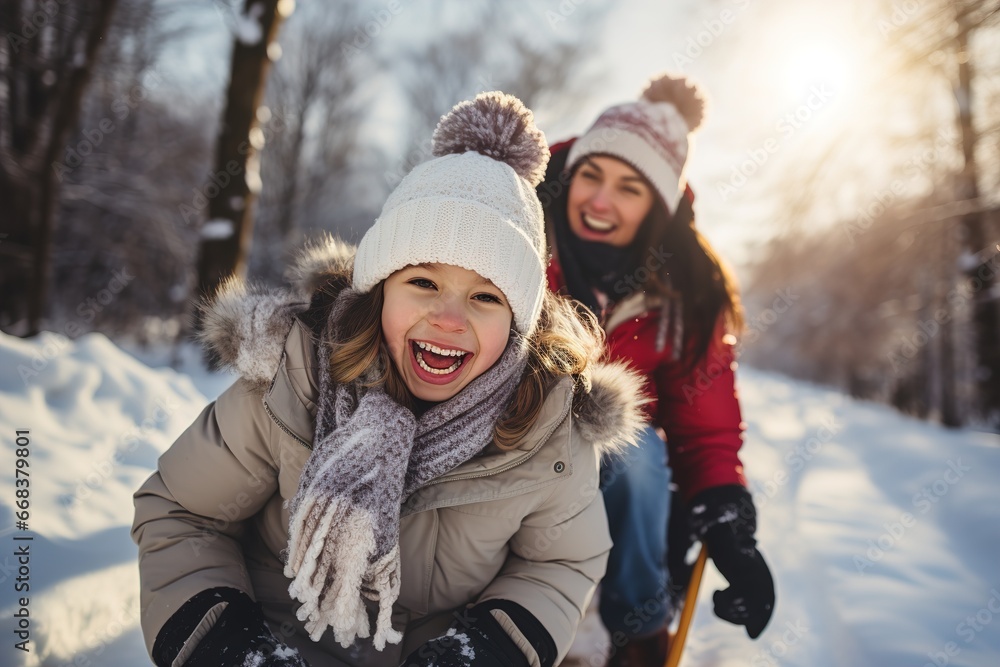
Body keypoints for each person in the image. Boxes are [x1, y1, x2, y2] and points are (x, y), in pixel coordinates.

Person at [131, 92, 650, 667]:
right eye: (423, 284)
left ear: (520, 326)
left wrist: (493, 648)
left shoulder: (548, 429)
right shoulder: (295, 378)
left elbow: (558, 562)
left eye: (484, 297)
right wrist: (223, 642)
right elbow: (182, 512)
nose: (449, 319)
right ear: (378, 290)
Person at [537, 73, 776, 666]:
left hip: (614, 479)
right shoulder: (519, 242)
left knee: (638, 451)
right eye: (590, 176)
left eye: (628, 188)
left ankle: (636, 628)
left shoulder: (685, 295)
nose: (599, 200)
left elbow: (706, 430)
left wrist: (728, 528)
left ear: (658, 207)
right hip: (505, 443)